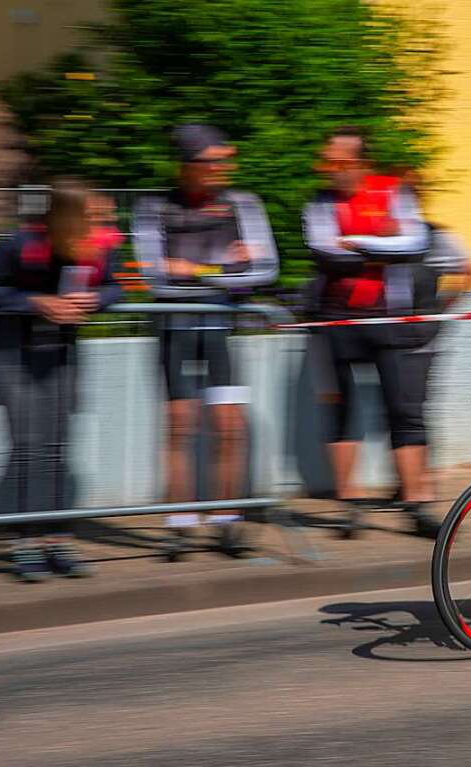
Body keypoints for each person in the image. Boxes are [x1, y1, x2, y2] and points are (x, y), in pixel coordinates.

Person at [133, 125, 278, 556]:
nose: (221, 169)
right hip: (173, 327)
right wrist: (223, 267)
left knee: (228, 427)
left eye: (224, 160)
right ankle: (180, 523)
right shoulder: (153, 206)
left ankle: (227, 521)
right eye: (212, 161)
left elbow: (266, 268)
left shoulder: (242, 204)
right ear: (188, 165)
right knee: (180, 426)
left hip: (220, 330)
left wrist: (191, 267)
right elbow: (151, 274)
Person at [0, 178, 123, 582]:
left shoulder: (94, 250)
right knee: (27, 449)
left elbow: (114, 287)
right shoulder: (20, 244)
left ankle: (56, 539)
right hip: (12, 355)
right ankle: (24, 543)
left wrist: (96, 300)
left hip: (60, 354)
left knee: (57, 447)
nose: (101, 223)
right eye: (92, 216)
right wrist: (34, 301)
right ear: (69, 215)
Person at [302, 126, 442, 537]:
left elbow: (416, 244)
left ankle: (416, 504)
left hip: (388, 315)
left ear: (362, 163)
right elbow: (324, 252)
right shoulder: (320, 201)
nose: (330, 170)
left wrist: (356, 243)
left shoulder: (394, 191)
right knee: (342, 411)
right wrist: (380, 244)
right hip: (336, 315)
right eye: (326, 162)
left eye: (339, 163)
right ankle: (350, 507)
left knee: (403, 409)